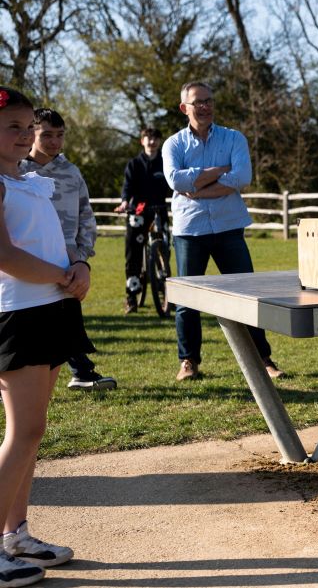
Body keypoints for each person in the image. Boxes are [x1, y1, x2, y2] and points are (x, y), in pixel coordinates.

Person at [0, 86, 92, 586]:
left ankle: (16, 535)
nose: (23, 135)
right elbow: (6, 256)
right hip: (19, 316)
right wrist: (61, 274)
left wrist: (77, 264)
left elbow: (59, 238)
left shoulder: (29, 180)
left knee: (31, 435)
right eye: (12, 127)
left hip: (50, 309)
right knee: (23, 434)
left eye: (25, 126)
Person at [164, 81, 284, 381]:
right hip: (190, 229)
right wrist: (220, 171)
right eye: (197, 102)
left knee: (248, 295)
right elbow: (176, 181)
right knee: (187, 299)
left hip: (229, 227)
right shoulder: (173, 144)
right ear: (184, 108)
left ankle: (264, 360)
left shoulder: (234, 138)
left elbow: (242, 175)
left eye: (208, 100)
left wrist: (199, 185)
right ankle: (189, 362)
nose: (204, 106)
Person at [19, 109, 116, 392]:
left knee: (66, 322)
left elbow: (86, 217)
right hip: (27, 262)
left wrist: (82, 259)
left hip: (67, 262)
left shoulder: (71, 172)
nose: (54, 142)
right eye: (46, 134)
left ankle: (82, 372)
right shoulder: (16, 171)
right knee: (25, 326)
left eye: (60, 135)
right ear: (31, 134)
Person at [114, 127, 171, 314]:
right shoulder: (134, 164)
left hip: (160, 210)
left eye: (155, 138)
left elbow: (174, 185)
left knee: (164, 252)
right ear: (142, 141)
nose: (152, 141)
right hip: (138, 211)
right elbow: (127, 188)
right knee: (133, 254)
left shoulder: (165, 163)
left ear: (159, 142)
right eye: (148, 138)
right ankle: (131, 297)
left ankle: (166, 293)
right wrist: (124, 203)